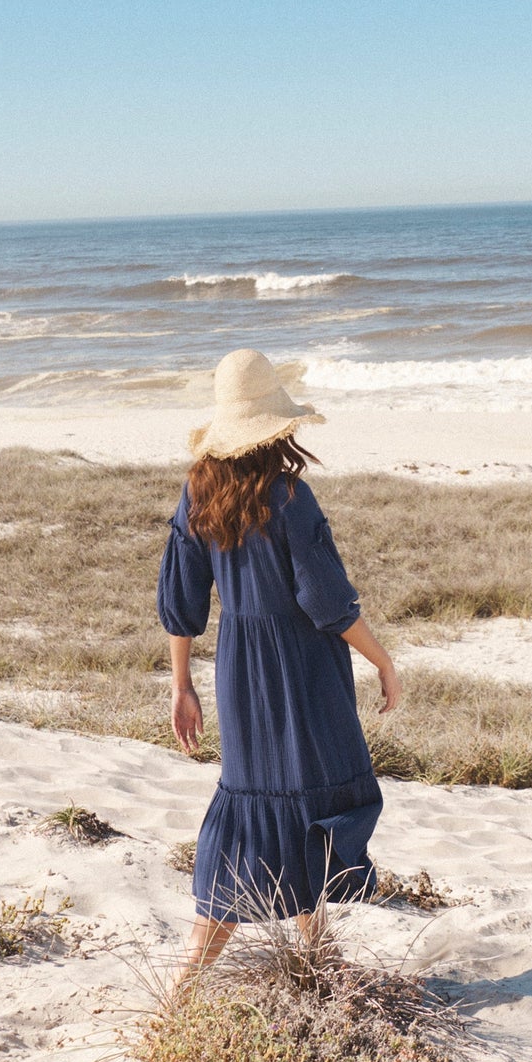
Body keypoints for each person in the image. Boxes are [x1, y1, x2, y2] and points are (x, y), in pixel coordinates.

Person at [157, 348, 401, 978]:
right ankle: (200, 980)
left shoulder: (197, 494)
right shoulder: (291, 496)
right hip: (303, 669)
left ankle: (307, 959)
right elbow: (327, 604)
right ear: (277, 428)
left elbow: (182, 603)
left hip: (239, 670)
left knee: (258, 799)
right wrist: (384, 662)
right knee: (305, 798)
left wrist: (182, 685)